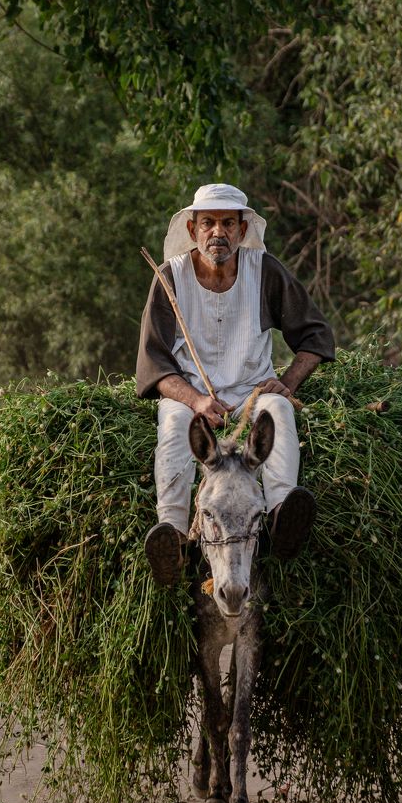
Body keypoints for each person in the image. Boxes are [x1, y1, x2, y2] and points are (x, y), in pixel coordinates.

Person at [136, 183, 335, 584]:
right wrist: (195, 401)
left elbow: (315, 336)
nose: (218, 232)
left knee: (277, 409)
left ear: (243, 230)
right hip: (192, 396)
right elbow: (154, 363)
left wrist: (288, 383)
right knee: (174, 424)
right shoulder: (170, 277)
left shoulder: (265, 271)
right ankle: (173, 534)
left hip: (251, 393)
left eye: (229, 223)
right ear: (193, 230)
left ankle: (282, 516)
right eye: (208, 223)